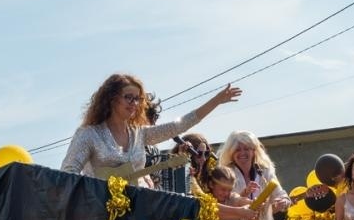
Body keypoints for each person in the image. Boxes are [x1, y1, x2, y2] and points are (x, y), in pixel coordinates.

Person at [60, 74, 241, 184]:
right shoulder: (89, 134)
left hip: (137, 213)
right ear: (111, 99)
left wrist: (216, 101)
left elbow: (181, 124)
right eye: (129, 97)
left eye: (138, 99)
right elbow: (67, 175)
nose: (135, 103)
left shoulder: (140, 134)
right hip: (99, 216)